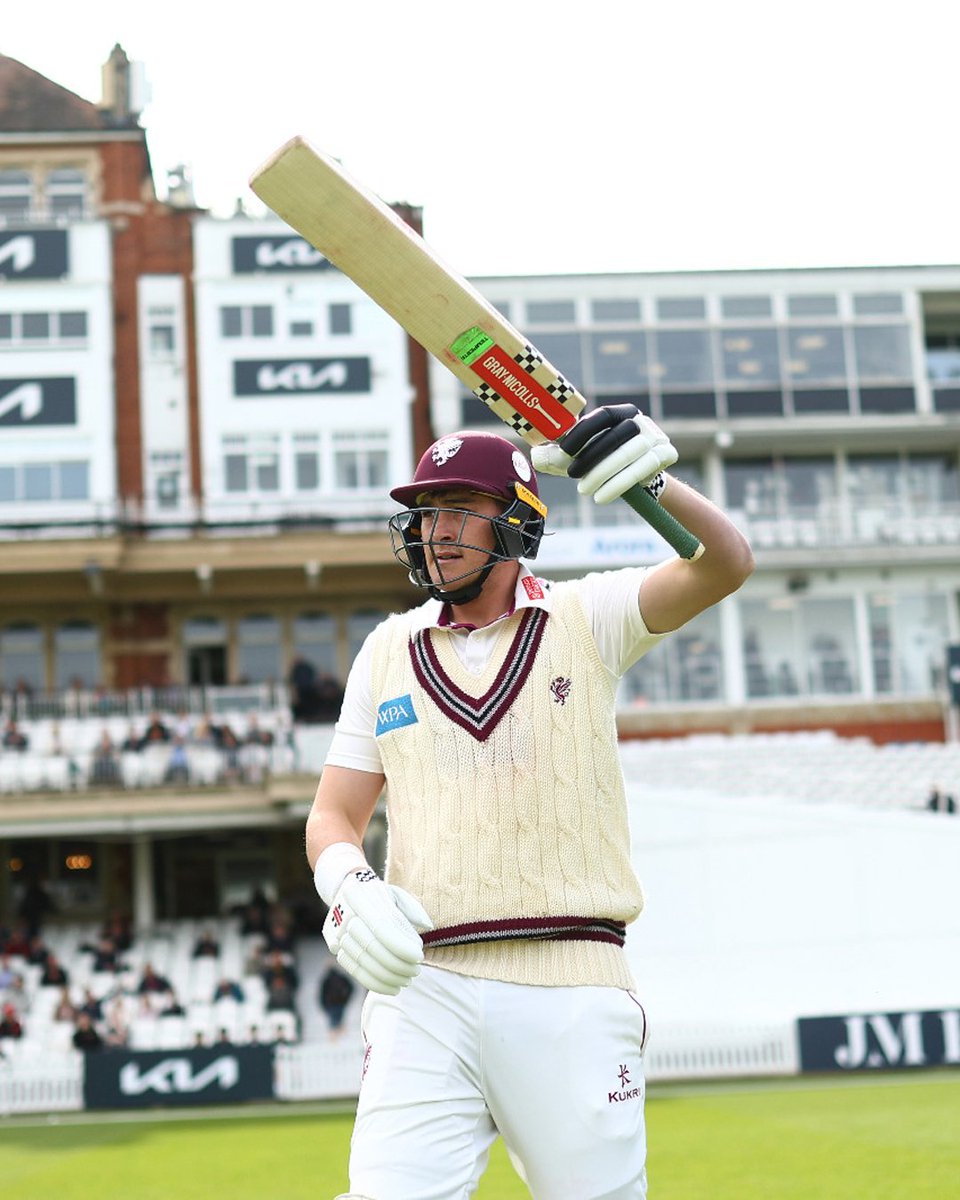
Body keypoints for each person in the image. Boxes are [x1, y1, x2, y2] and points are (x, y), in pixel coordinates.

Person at [304, 417, 754, 1198]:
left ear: (517, 519)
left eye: (457, 508)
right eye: (425, 512)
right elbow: (332, 817)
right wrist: (349, 887)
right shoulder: (386, 650)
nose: (435, 532)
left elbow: (724, 565)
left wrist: (647, 480)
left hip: (571, 981)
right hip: (425, 983)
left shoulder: (589, 618)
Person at [318, 962, 355, 1038]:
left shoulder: (326, 979)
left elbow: (322, 994)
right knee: (339, 1020)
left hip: (331, 1004)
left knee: (333, 1022)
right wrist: (346, 998)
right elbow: (351, 987)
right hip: (340, 1002)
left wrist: (323, 1004)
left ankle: (335, 1038)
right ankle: (339, 1037)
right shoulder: (340, 978)